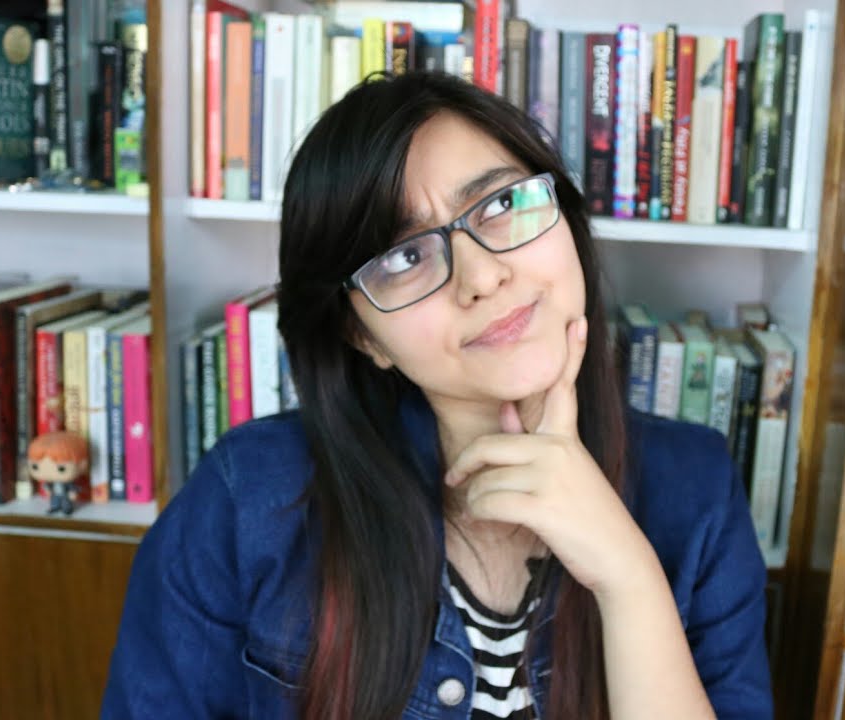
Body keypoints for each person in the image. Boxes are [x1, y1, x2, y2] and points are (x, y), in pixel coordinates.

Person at [102, 71, 771, 720]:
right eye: (405, 257)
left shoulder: (699, 492)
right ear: (363, 336)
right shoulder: (245, 501)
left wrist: (628, 576)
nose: (480, 277)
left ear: (564, 216)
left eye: (502, 205)